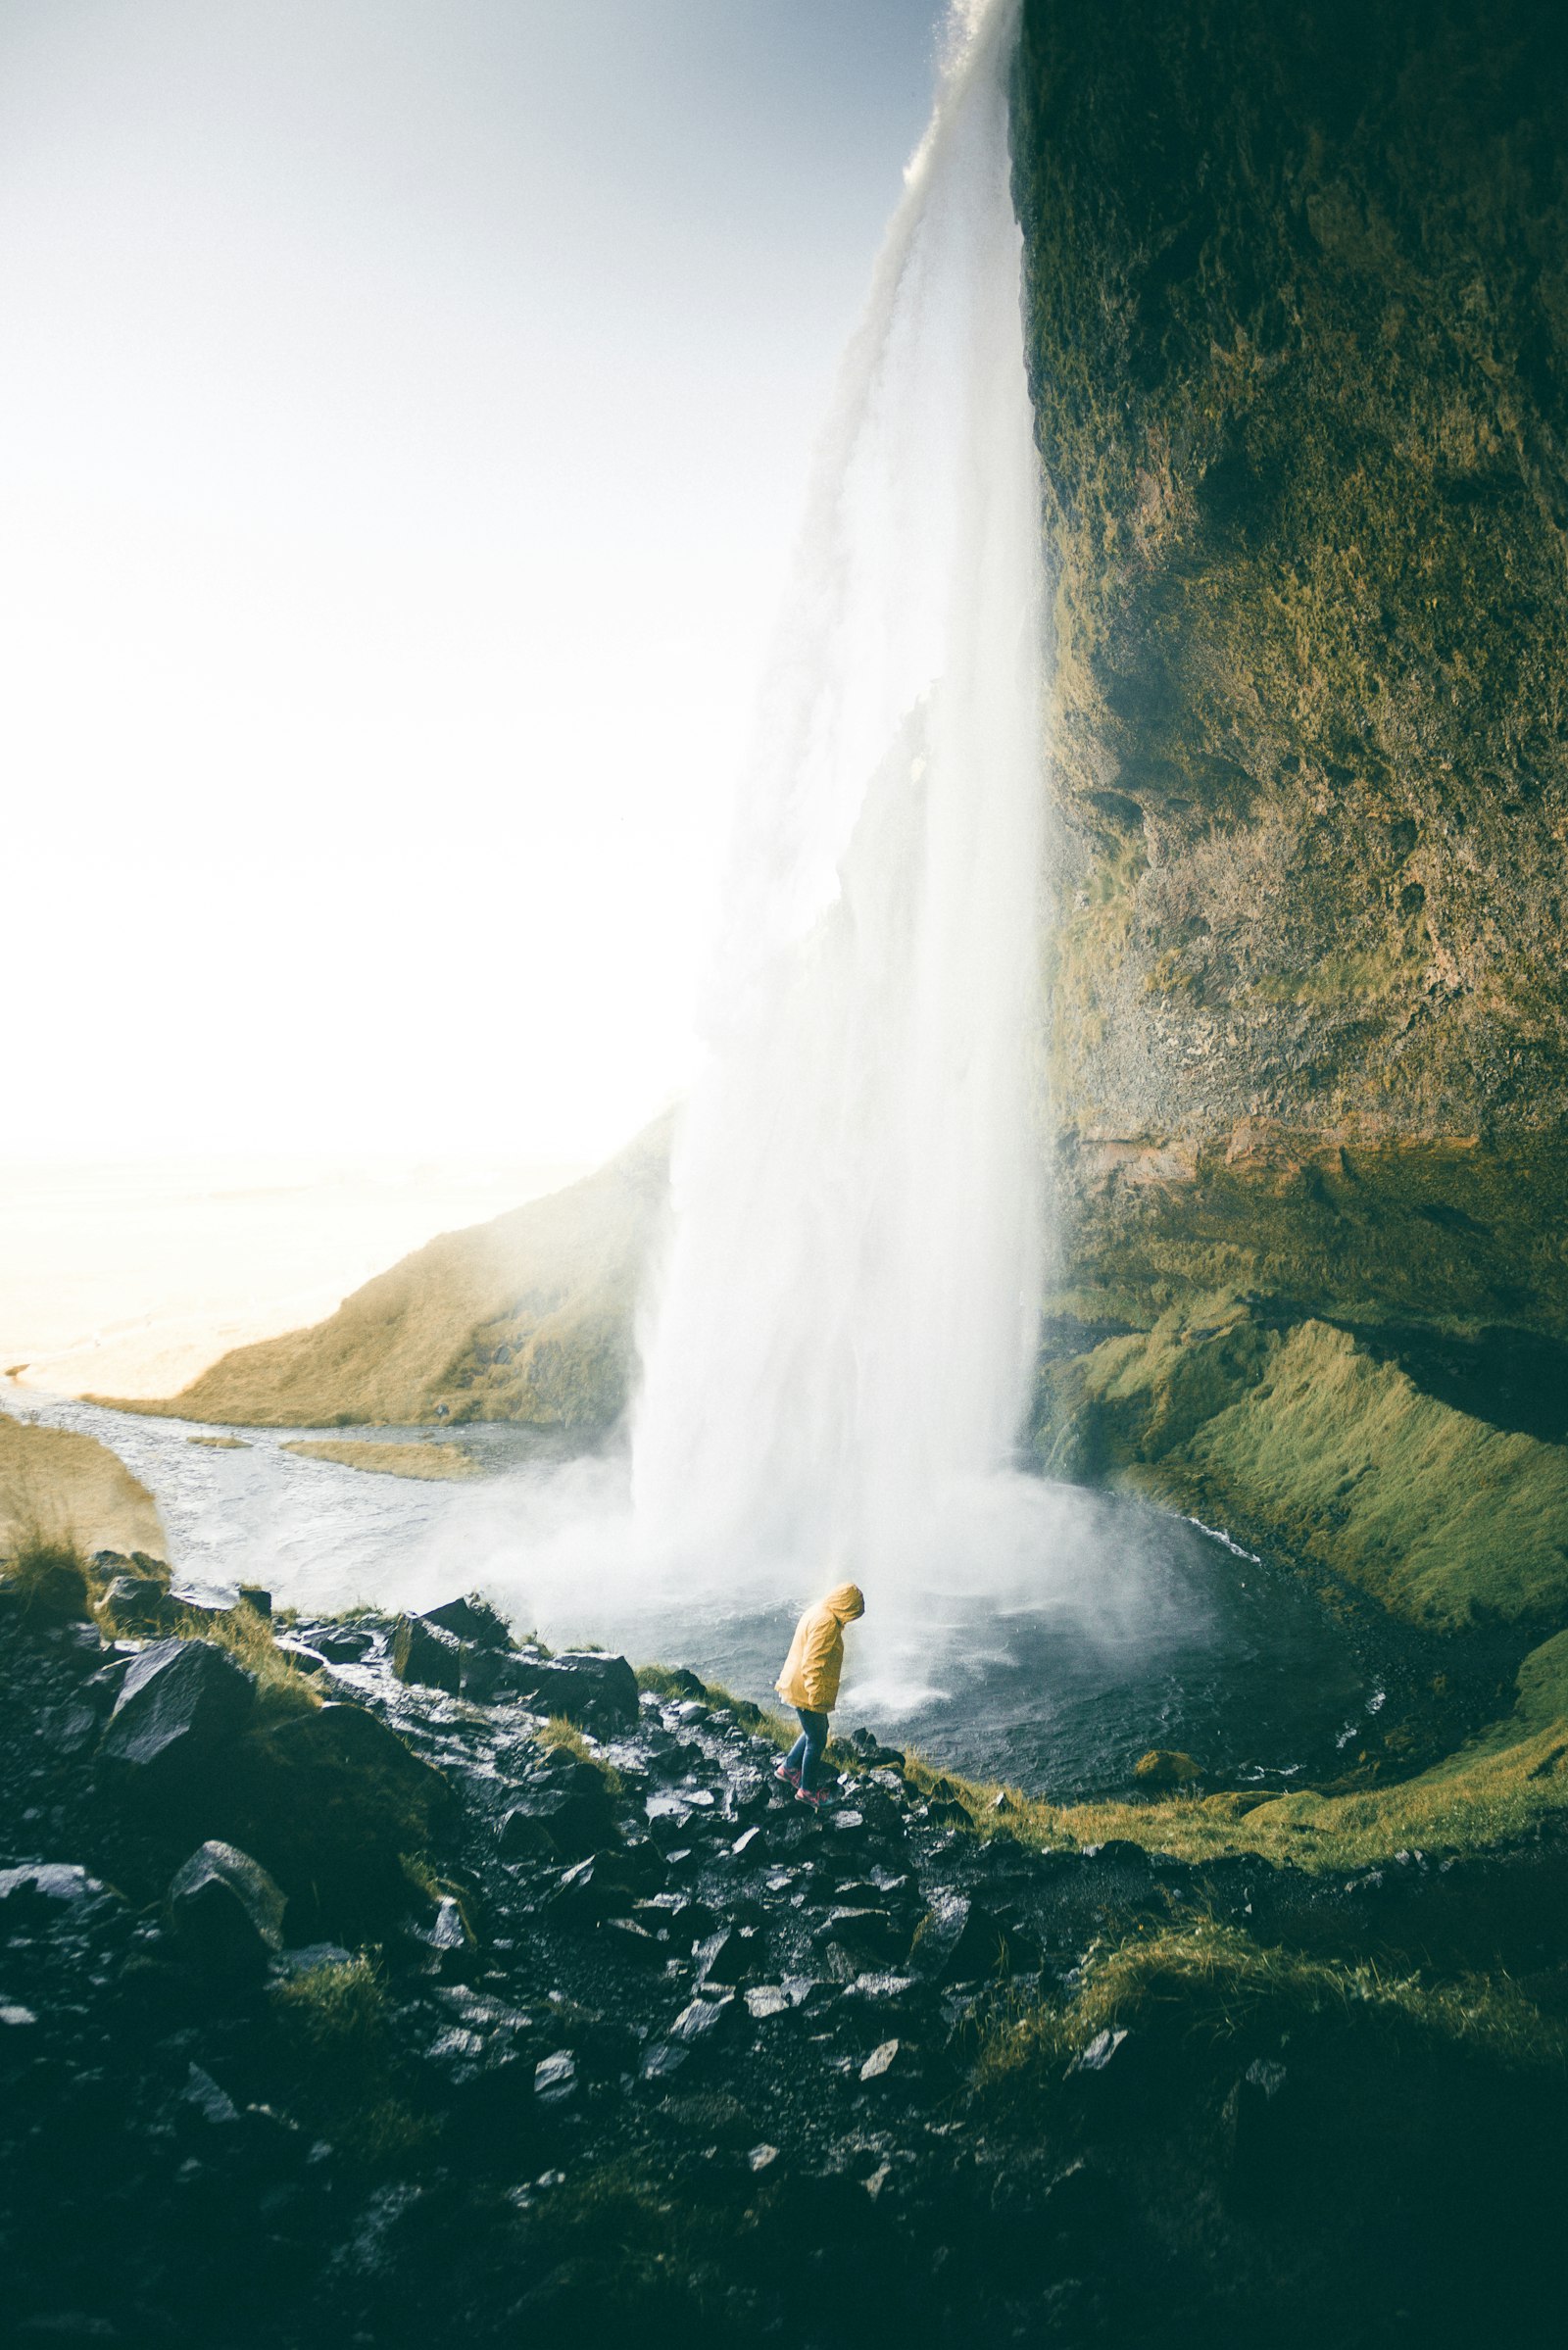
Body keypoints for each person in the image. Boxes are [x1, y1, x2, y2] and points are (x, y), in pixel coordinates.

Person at [773, 1582, 865, 1808]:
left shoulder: (820, 1610)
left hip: (798, 1683)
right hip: (806, 1689)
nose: (851, 1620)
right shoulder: (826, 1623)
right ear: (846, 1607)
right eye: (853, 1613)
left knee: (816, 1731)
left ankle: (789, 1768)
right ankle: (808, 1791)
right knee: (817, 1739)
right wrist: (815, 1697)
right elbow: (813, 1663)